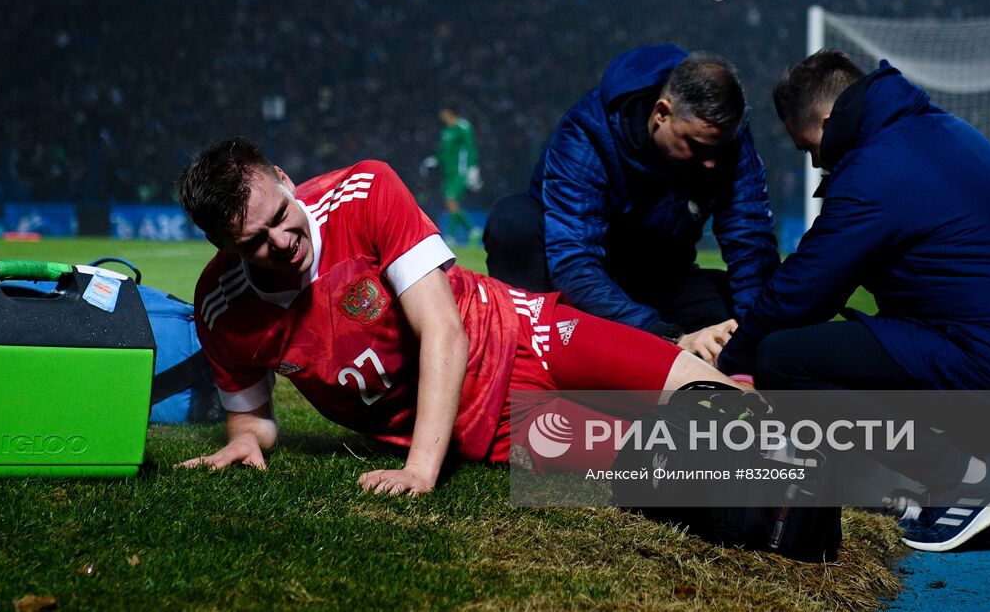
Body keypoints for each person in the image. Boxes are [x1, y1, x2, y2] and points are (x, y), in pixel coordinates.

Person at [174, 136, 743, 495]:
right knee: (674, 460)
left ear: (284, 179)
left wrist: (421, 470)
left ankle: (756, 396)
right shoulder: (222, 309)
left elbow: (443, 329)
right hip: (486, 428)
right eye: (255, 242)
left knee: (711, 400)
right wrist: (247, 438)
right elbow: (253, 416)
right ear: (223, 244)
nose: (282, 240)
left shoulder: (364, 190)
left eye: (280, 214)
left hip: (520, 328)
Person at [718, 49, 990, 552]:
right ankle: (986, 460)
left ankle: (965, 480)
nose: (814, 161)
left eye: (807, 145)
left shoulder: (875, 168)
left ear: (829, 121)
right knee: (887, 328)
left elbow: (806, 288)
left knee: (784, 362)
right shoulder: (943, 131)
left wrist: (733, 364)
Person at [483, 45, 778, 366]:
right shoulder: (586, 134)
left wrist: (753, 337)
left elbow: (750, 240)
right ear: (661, 113)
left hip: (663, 276)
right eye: (695, 146)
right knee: (513, 222)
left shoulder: (725, 135)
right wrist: (666, 336)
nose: (711, 163)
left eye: (718, 150)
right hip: (583, 283)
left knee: (746, 316)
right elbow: (574, 260)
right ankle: (531, 352)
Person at [421, 107, 482, 242]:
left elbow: (471, 147)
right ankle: (469, 231)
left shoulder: (463, 127)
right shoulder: (446, 131)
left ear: (450, 112)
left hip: (460, 171)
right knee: (451, 204)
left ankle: (458, 233)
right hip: (448, 172)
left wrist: (473, 168)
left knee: (451, 201)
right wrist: (435, 159)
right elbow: (444, 152)